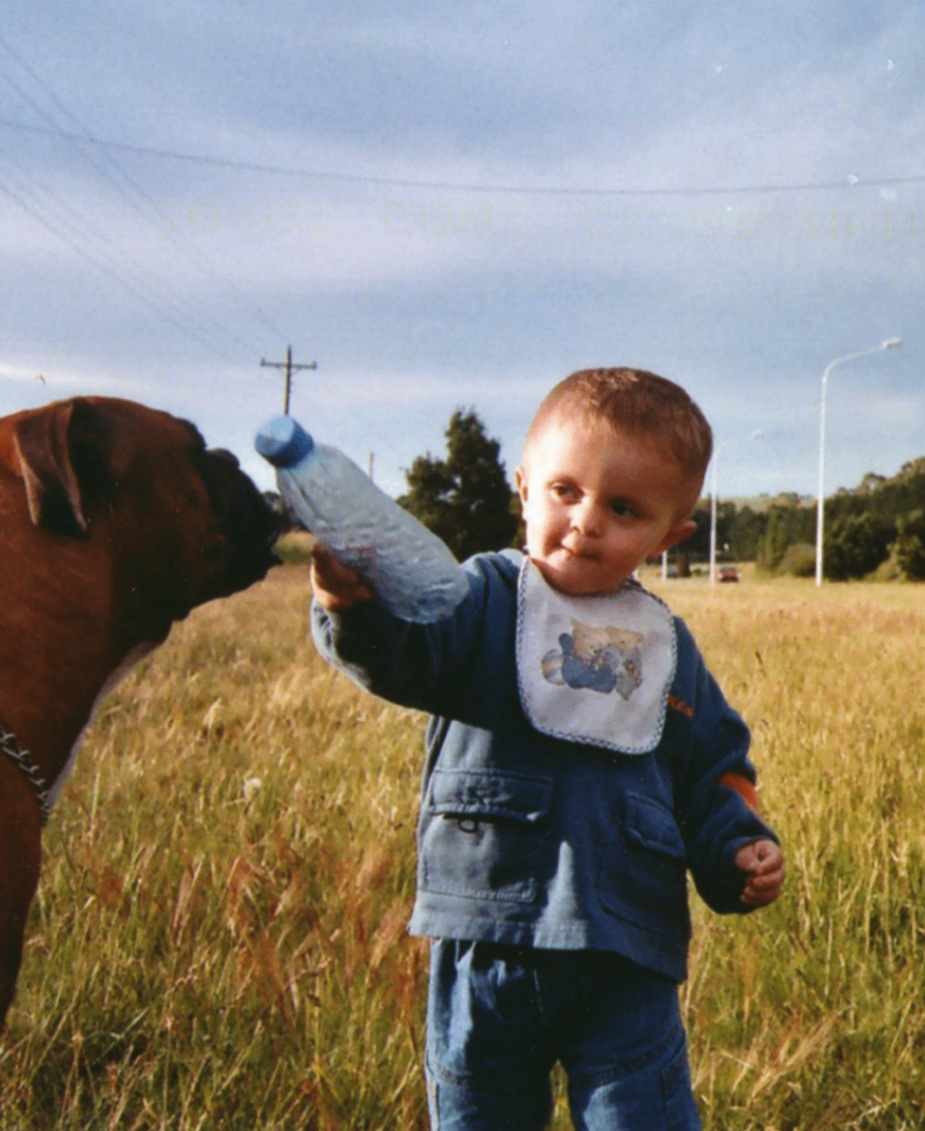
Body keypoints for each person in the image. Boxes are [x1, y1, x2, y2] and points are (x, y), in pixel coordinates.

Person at [309, 368, 785, 1131]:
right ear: (524, 487)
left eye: (623, 507)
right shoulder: (484, 600)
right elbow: (406, 655)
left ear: (668, 535)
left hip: (624, 952)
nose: (586, 520)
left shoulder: (666, 648)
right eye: (565, 490)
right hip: (484, 938)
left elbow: (712, 770)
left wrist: (739, 847)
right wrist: (353, 604)